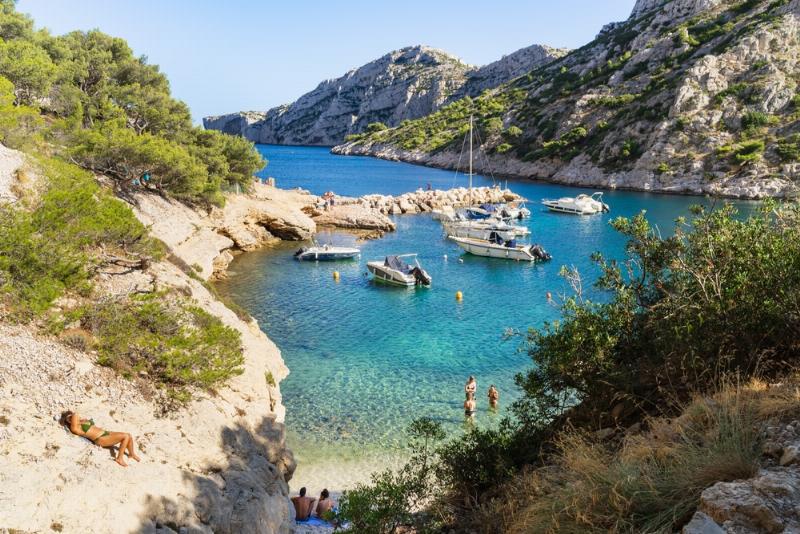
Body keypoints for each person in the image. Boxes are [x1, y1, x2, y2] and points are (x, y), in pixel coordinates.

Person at [59, 410, 140, 467]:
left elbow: (77, 416)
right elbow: (76, 413)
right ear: (69, 422)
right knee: (125, 436)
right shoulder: (75, 428)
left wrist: (81, 421)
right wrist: (71, 415)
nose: (72, 418)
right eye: (69, 418)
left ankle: (131, 454)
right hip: (101, 439)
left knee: (129, 435)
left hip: (106, 433)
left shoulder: (81, 422)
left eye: (71, 417)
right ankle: (119, 458)